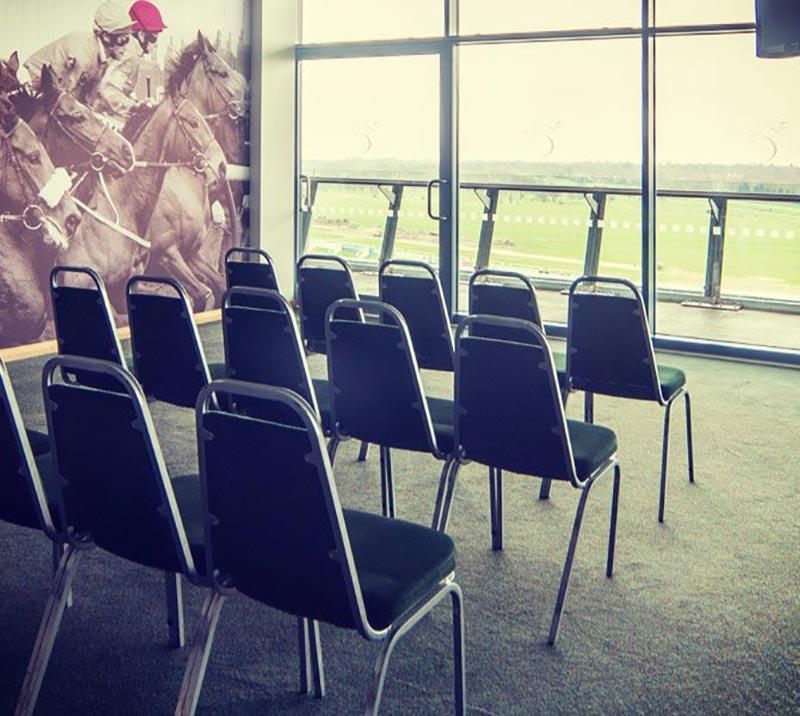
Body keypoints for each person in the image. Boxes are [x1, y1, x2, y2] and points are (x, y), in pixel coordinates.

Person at [23, 2, 134, 98]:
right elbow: (65, 98)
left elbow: (88, 98)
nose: (126, 47)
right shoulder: (82, 53)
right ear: (106, 37)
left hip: (50, 89)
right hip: (30, 83)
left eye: (128, 39)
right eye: (122, 40)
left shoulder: (102, 59)